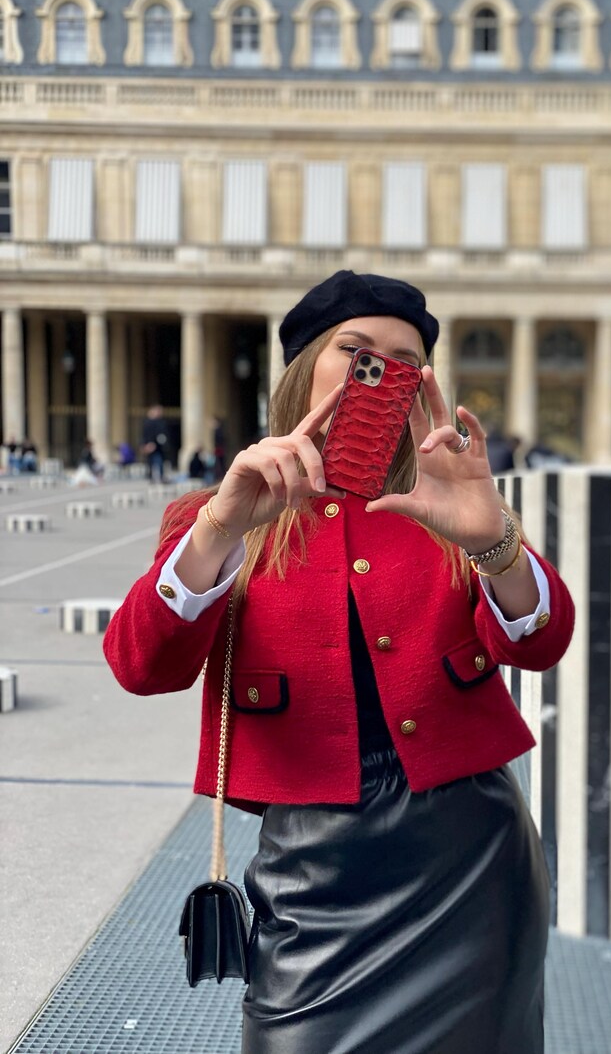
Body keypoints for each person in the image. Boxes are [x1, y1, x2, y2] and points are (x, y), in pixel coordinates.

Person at [104, 270, 575, 1054]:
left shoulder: (448, 504)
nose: (382, 372)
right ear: (306, 370)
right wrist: (222, 526)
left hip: (471, 864)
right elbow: (139, 664)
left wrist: (494, 542)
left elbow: (540, 641)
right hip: (311, 876)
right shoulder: (220, 512)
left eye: (405, 361)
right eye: (357, 353)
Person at [141, 405, 169, 483]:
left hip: (158, 447)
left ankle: (160, 477)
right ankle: (152, 477)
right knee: (152, 462)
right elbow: (145, 435)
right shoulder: (148, 422)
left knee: (158, 462)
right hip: (151, 446)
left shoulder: (161, 422)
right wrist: (146, 445)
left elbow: (163, 435)